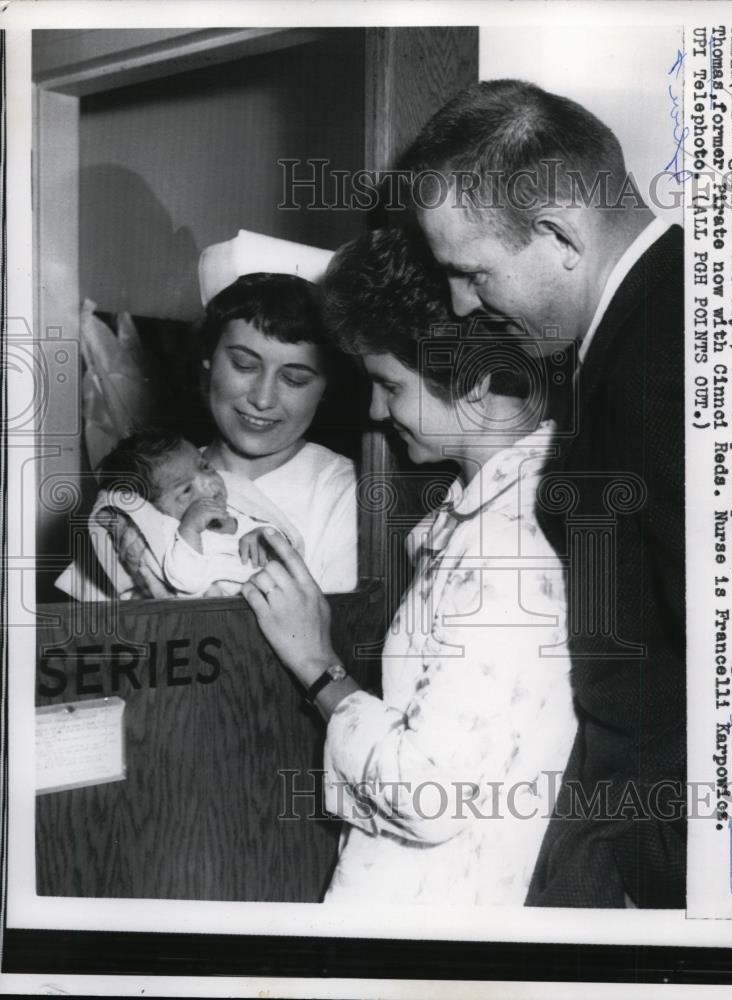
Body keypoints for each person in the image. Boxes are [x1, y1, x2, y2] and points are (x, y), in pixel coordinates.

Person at [399, 79, 686, 908]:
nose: (462, 303)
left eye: (472, 272)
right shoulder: (665, 312)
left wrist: (666, 870)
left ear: (560, 232)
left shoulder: (655, 359)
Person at [242, 227, 576, 905]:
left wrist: (317, 668)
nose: (373, 410)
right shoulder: (503, 512)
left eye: (387, 385)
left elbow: (426, 794)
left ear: (476, 386)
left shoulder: (505, 547)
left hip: (435, 908)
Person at [196, 271, 358, 594]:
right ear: (208, 361)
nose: (262, 399)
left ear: (325, 390)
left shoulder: (347, 493)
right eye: (244, 365)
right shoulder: (154, 473)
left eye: (295, 379)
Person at [94, 431, 303, 598]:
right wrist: (190, 530)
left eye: (205, 467)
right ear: (153, 510)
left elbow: (287, 550)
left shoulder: (237, 513)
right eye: (185, 490)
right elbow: (188, 581)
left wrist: (264, 535)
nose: (208, 482)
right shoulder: (173, 540)